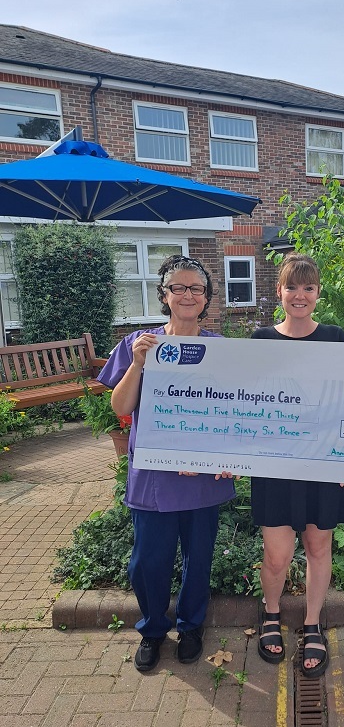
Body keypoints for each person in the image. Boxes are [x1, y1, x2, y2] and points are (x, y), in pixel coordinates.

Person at [98, 255, 235, 673]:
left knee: (199, 558)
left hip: (202, 477)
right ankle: (153, 629)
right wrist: (139, 364)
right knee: (147, 562)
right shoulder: (139, 344)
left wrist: (231, 457)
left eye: (196, 288)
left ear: (207, 298)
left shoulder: (222, 350)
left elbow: (236, 412)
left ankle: (191, 626)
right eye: (179, 287)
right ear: (164, 295)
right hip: (154, 476)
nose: (188, 294)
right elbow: (120, 406)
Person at [251, 253, 344, 677]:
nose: (300, 295)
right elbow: (244, 402)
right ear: (278, 292)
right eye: (291, 287)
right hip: (276, 466)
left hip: (324, 465)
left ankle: (313, 622)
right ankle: (271, 614)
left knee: (318, 547)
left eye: (308, 287)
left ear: (317, 293)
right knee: (277, 557)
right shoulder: (260, 340)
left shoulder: (335, 337)